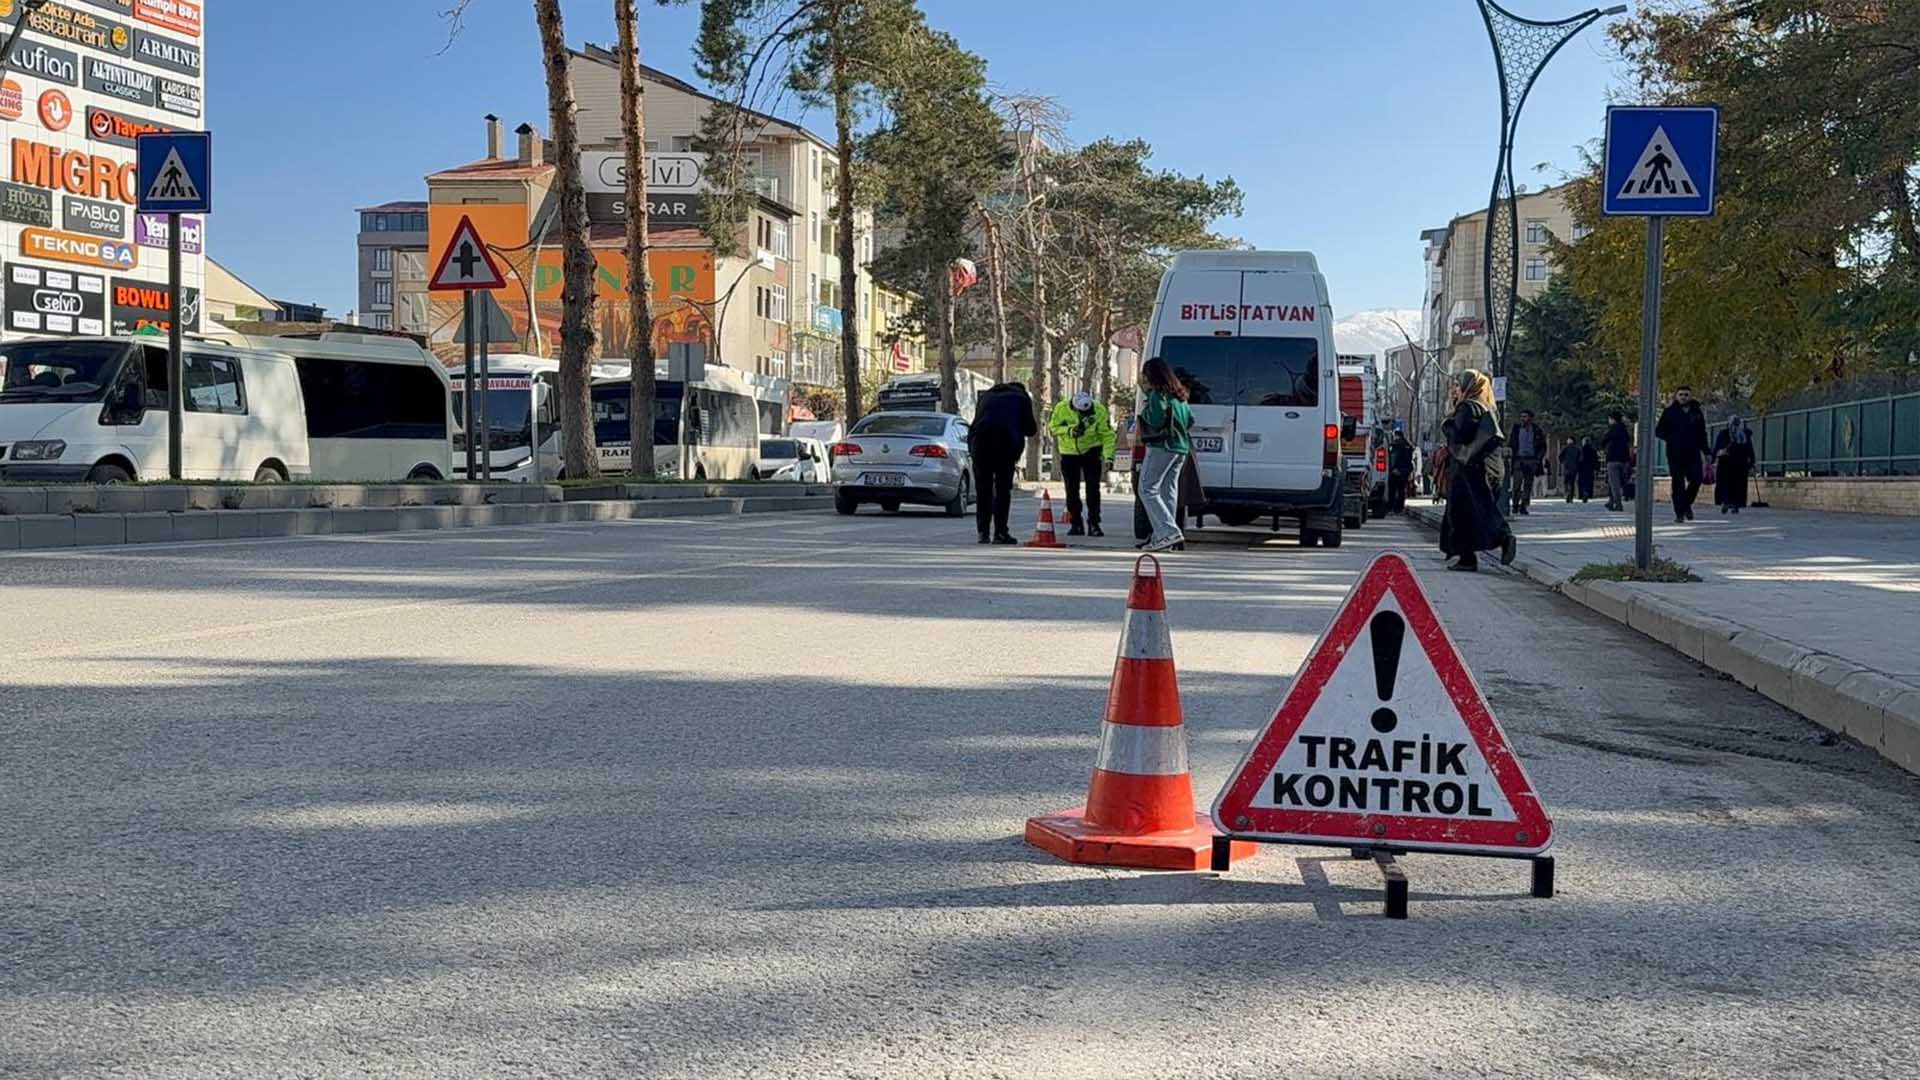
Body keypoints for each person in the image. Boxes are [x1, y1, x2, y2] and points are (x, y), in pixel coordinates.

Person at [1439, 370, 1516, 572]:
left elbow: (1460, 435)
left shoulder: (1467, 407)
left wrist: (1448, 422)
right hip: (1491, 468)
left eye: (1459, 384)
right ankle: (1494, 541)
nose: (1457, 388)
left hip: (1469, 469)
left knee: (1462, 513)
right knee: (1482, 509)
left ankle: (1473, 555)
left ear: (1469, 386)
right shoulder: (1489, 408)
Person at [967, 381, 1037, 545]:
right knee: (1002, 490)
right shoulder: (1021, 397)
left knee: (983, 490)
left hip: (979, 444)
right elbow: (1030, 429)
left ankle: (982, 533)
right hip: (1005, 446)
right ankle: (1000, 533)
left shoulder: (987, 396)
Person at [1136, 357, 1193, 553]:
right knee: (1168, 490)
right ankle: (1167, 536)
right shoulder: (1180, 396)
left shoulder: (1157, 395)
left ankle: (1168, 532)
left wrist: (1146, 409)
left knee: (1147, 489)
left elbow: (1156, 418)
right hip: (1181, 447)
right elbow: (1190, 420)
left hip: (1162, 445)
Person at [1047, 389, 1115, 537]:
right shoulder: (1061, 408)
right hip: (1069, 453)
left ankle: (1094, 523)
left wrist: (1108, 457)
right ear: (1074, 406)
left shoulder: (1098, 410)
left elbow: (1107, 435)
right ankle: (1076, 523)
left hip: (1092, 451)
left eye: (1087, 411)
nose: (1085, 415)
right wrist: (1069, 431)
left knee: (1093, 489)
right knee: (1071, 490)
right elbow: (1052, 428)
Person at [1655, 385, 1710, 523]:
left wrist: (1707, 451)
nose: (1684, 397)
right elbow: (1659, 431)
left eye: (1686, 395)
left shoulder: (1696, 412)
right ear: (1676, 396)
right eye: (1681, 394)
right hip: (1675, 453)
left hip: (1693, 452)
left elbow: (1702, 433)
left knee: (1696, 479)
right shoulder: (1669, 412)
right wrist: (1673, 438)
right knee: (1677, 483)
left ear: (1690, 396)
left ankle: (1686, 504)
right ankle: (1679, 512)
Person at [1712, 416, 1756, 514]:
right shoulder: (1744, 435)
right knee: (1736, 485)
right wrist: (1752, 463)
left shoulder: (1725, 433)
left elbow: (1717, 448)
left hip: (1727, 463)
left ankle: (1727, 502)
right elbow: (1749, 449)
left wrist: (1714, 457)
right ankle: (1734, 504)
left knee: (1727, 484)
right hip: (1739, 464)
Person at [1509, 409, 1545, 515]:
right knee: (1517, 483)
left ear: (1530, 418)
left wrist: (1537, 459)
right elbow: (1511, 443)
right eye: (1521, 416)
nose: (1523, 419)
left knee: (1528, 485)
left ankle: (1524, 505)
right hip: (1519, 460)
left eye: (1525, 416)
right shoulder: (1516, 429)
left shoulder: (1537, 430)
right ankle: (1515, 505)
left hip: (1531, 460)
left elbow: (1542, 446)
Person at [1603, 411, 1632, 512]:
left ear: (1612, 419)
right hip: (1624, 460)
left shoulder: (1612, 429)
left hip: (1613, 459)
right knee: (1618, 482)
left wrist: (1605, 448)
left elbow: (1604, 441)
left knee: (1614, 483)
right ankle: (1611, 501)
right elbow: (1629, 443)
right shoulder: (1625, 430)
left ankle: (1618, 504)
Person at [1387, 431, 1414, 514]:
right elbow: (1409, 460)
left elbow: (1392, 459)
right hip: (1404, 472)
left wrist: (1393, 469)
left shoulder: (1394, 445)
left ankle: (1391, 508)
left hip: (1395, 471)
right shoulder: (1408, 446)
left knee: (1392, 491)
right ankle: (1399, 508)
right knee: (1401, 491)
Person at [1558, 439, 1581, 504]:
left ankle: (1567, 494)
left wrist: (1563, 462)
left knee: (1566, 482)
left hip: (1566, 468)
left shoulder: (1565, 448)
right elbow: (1580, 458)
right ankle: (1571, 496)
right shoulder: (1577, 449)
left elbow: (1560, 457)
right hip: (1574, 468)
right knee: (1572, 483)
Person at [1577, 436, 1599, 502]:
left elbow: (1578, 460)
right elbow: (1596, 460)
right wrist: (1597, 468)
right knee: (1589, 482)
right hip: (1590, 469)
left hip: (1582, 469)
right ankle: (1588, 494)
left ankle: (1582, 494)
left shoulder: (1580, 450)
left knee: (1582, 482)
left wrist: (1577, 468)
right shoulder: (1593, 450)